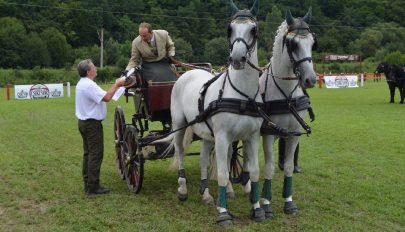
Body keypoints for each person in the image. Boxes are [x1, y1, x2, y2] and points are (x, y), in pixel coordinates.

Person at [75, 59, 125, 195]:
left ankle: (88, 182)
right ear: (88, 71)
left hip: (84, 122)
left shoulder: (82, 84)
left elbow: (103, 95)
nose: (96, 68)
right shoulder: (88, 85)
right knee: (95, 154)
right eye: (94, 67)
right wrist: (117, 84)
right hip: (91, 125)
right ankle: (93, 186)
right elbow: (107, 97)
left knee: (88, 154)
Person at [278, 89, 315, 173]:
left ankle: (294, 164)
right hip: (281, 107)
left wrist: (310, 110)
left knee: (295, 136)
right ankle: (282, 160)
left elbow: (305, 96)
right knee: (283, 135)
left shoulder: (298, 84)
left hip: (295, 108)